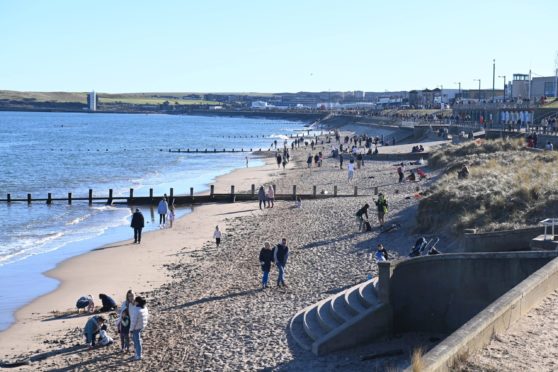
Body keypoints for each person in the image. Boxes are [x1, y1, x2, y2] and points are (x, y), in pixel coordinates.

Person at [130, 296, 149, 361]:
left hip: (136, 328)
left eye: (135, 301)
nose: (134, 302)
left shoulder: (136, 310)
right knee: (137, 340)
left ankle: (138, 355)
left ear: (137, 302)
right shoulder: (145, 308)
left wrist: (131, 329)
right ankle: (138, 353)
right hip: (141, 326)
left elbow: (133, 322)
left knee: (137, 341)